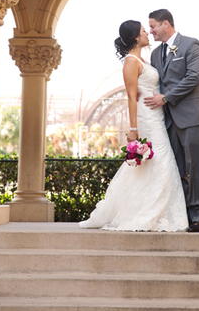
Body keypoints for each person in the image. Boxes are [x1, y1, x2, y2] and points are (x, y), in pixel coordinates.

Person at [80, 20, 188, 231]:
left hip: (157, 116)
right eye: (143, 31)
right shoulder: (131, 61)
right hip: (146, 119)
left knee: (153, 165)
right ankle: (146, 212)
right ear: (136, 38)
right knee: (161, 161)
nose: (148, 33)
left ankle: (153, 210)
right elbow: (131, 97)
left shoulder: (143, 59)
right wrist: (133, 129)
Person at [144, 9, 199, 232]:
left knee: (196, 167)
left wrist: (166, 97)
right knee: (175, 169)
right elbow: (156, 83)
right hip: (167, 121)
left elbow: (193, 78)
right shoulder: (155, 54)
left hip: (192, 116)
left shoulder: (191, 45)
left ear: (166, 24)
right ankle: (181, 215)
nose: (151, 31)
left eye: (153, 26)